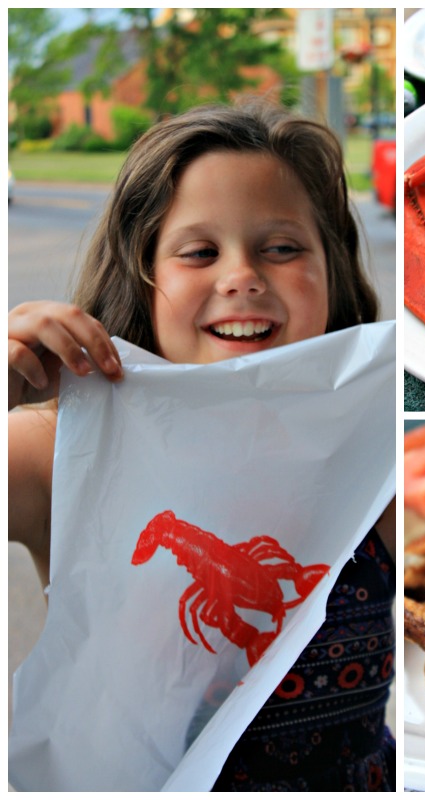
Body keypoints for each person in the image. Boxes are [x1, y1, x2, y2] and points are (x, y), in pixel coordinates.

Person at [8, 100, 395, 791]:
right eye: (199, 252)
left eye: (282, 248)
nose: (241, 275)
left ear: (331, 270)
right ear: (142, 277)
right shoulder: (52, 449)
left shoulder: (381, 453)